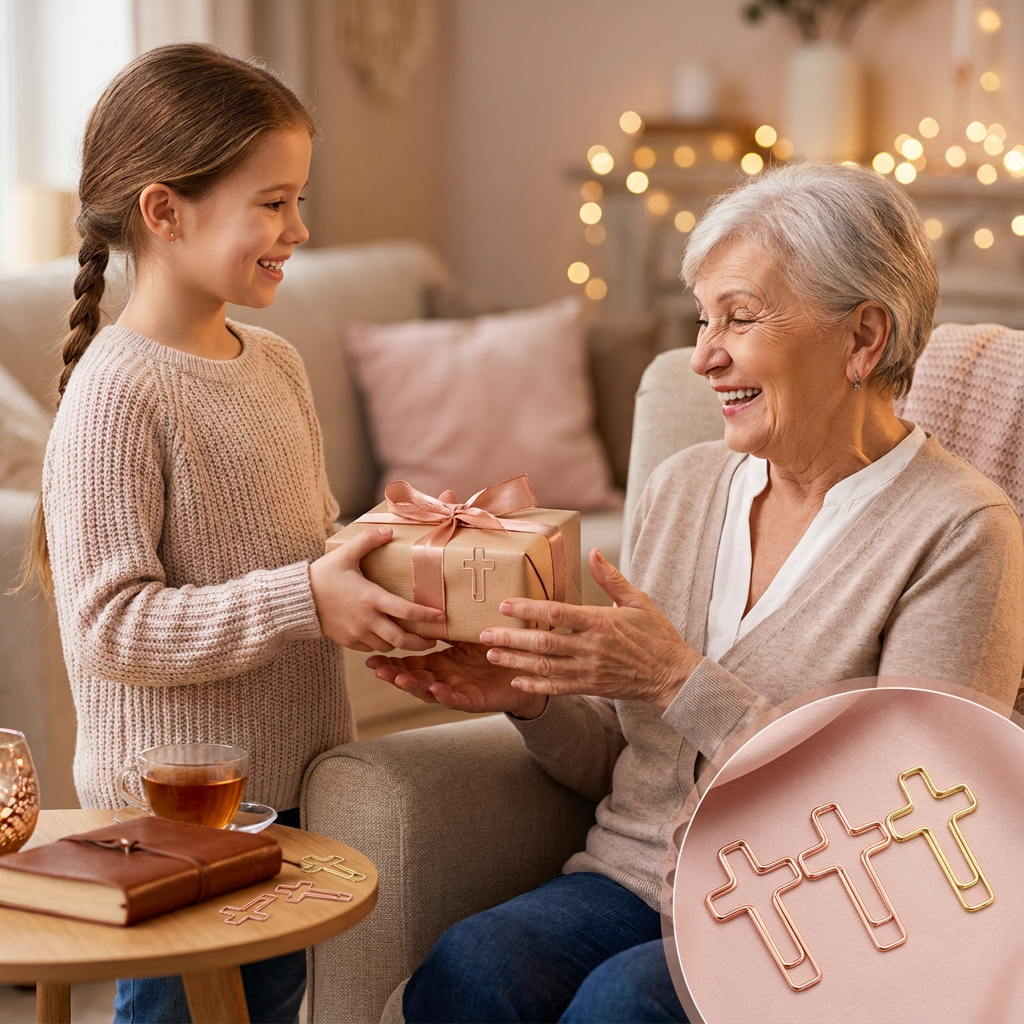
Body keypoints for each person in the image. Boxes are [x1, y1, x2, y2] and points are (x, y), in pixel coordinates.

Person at [370, 162, 1024, 1023]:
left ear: (864, 338)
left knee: (623, 1004)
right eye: (704, 318)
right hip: (631, 884)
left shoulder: (961, 531)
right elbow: (625, 760)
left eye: (741, 318)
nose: (705, 356)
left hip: (814, 916)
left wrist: (681, 681)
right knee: (473, 965)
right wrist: (528, 701)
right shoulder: (685, 487)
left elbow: (915, 830)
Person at [28, 44, 444, 1024]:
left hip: (289, 786)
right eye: (273, 201)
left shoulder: (277, 364)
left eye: (298, 199)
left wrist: (385, 563)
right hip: (172, 816)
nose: (300, 227)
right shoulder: (116, 392)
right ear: (163, 211)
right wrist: (308, 597)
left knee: (265, 1003)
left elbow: (306, 543)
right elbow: (110, 629)